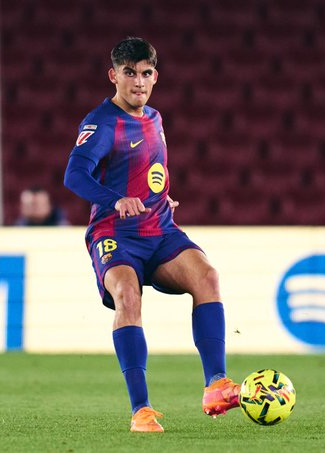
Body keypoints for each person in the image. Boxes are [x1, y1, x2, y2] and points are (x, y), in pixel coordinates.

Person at [63, 37, 239, 433]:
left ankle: (216, 385)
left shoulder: (155, 118)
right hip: (115, 233)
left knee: (207, 277)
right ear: (113, 76)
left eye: (145, 73)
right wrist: (115, 200)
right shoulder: (101, 123)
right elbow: (74, 175)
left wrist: (160, 196)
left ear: (155, 76)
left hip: (159, 229)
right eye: (129, 73)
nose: (138, 82)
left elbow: (148, 170)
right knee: (128, 296)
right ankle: (141, 410)